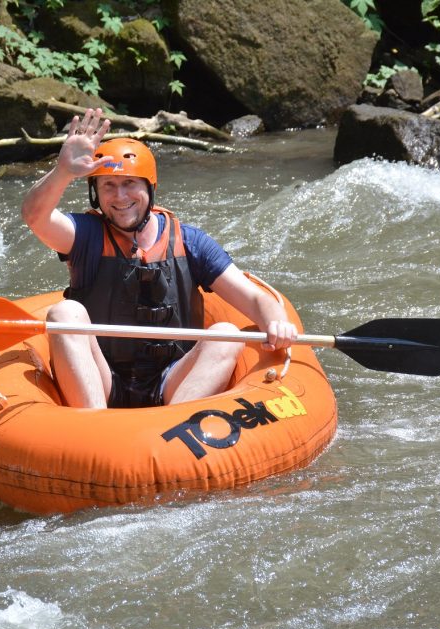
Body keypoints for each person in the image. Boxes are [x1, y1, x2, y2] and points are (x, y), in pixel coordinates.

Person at [21, 108, 298, 409]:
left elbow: (255, 300)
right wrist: (62, 171)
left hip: (173, 379)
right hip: (102, 378)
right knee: (65, 314)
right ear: (96, 194)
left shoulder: (191, 243)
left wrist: (277, 321)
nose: (120, 197)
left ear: (150, 188)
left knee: (227, 334)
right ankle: (95, 433)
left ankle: (171, 434)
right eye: (109, 186)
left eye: (130, 184)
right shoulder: (86, 235)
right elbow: (35, 217)